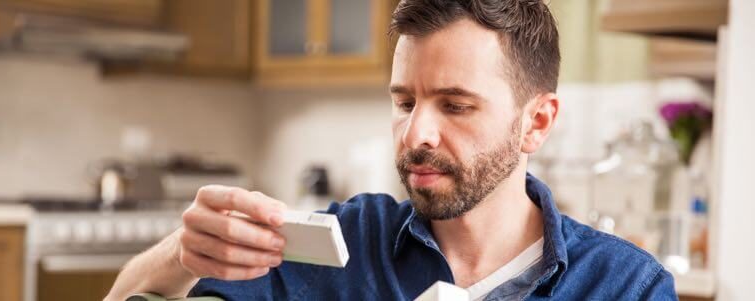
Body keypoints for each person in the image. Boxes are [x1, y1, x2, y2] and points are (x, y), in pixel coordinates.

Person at [106, 0, 677, 300]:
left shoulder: (627, 286)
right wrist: (184, 251)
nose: (416, 135)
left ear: (537, 122)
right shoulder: (335, 249)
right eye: (406, 103)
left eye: (455, 105)